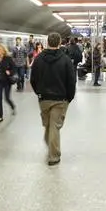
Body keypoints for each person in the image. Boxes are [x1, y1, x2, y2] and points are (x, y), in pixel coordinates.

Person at [30, 32, 76, 166]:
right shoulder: (66, 60)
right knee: (54, 127)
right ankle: (54, 156)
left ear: (47, 43)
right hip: (60, 99)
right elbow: (71, 81)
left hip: (43, 99)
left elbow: (33, 79)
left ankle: (50, 145)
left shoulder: (38, 59)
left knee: (48, 126)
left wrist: (39, 92)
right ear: (59, 43)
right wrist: (69, 98)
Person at [0, 44, 16, 123]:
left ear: (3, 50)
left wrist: (10, 72)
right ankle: (0, 116)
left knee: (7, 98)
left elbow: (14, 69)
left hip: (7, 82)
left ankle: (13, 106)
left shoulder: (8, 58)